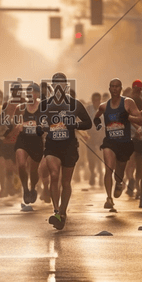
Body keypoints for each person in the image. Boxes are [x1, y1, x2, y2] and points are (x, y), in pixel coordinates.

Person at [39, 73, 92, 229]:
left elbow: (88, 123)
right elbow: (38, 123)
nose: (59, 86)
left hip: (69, 146)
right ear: (52, 86)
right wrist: (42, 128)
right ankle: (56, 211)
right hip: (52, 146)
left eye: (62, 83)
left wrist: (74, 125)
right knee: (54, 175)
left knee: (65, 181)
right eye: (56, 83)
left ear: (66, 86)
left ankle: (63, 212)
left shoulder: (74, 104)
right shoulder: (46, 104)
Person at [93, 79, 142, 210]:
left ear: (121, 88)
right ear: (109, 89)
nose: (114, 89)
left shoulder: (128, 102)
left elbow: (140, 119)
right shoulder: (104, 106)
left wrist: (129, 118)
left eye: (117, 87)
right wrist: (98, 124)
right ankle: (109, 198)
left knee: (118, 173)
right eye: (112, 87)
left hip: (125, 143)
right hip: (110, 142)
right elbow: (96, 116)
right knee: (108, 168)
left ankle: (119, 183)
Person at [11, 83, 44, 204]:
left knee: (34, 171)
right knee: (21, 164)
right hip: (23, 140)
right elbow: (15, 121)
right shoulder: (20, 107)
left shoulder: (43, 107)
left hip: (36, 141)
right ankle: (25, 188)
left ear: (37, 94)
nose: (30, 94)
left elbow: (47, 121)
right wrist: (18, 125)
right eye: (28, 91)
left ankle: (33, 187)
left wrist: (41, 126)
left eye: (32, 92)